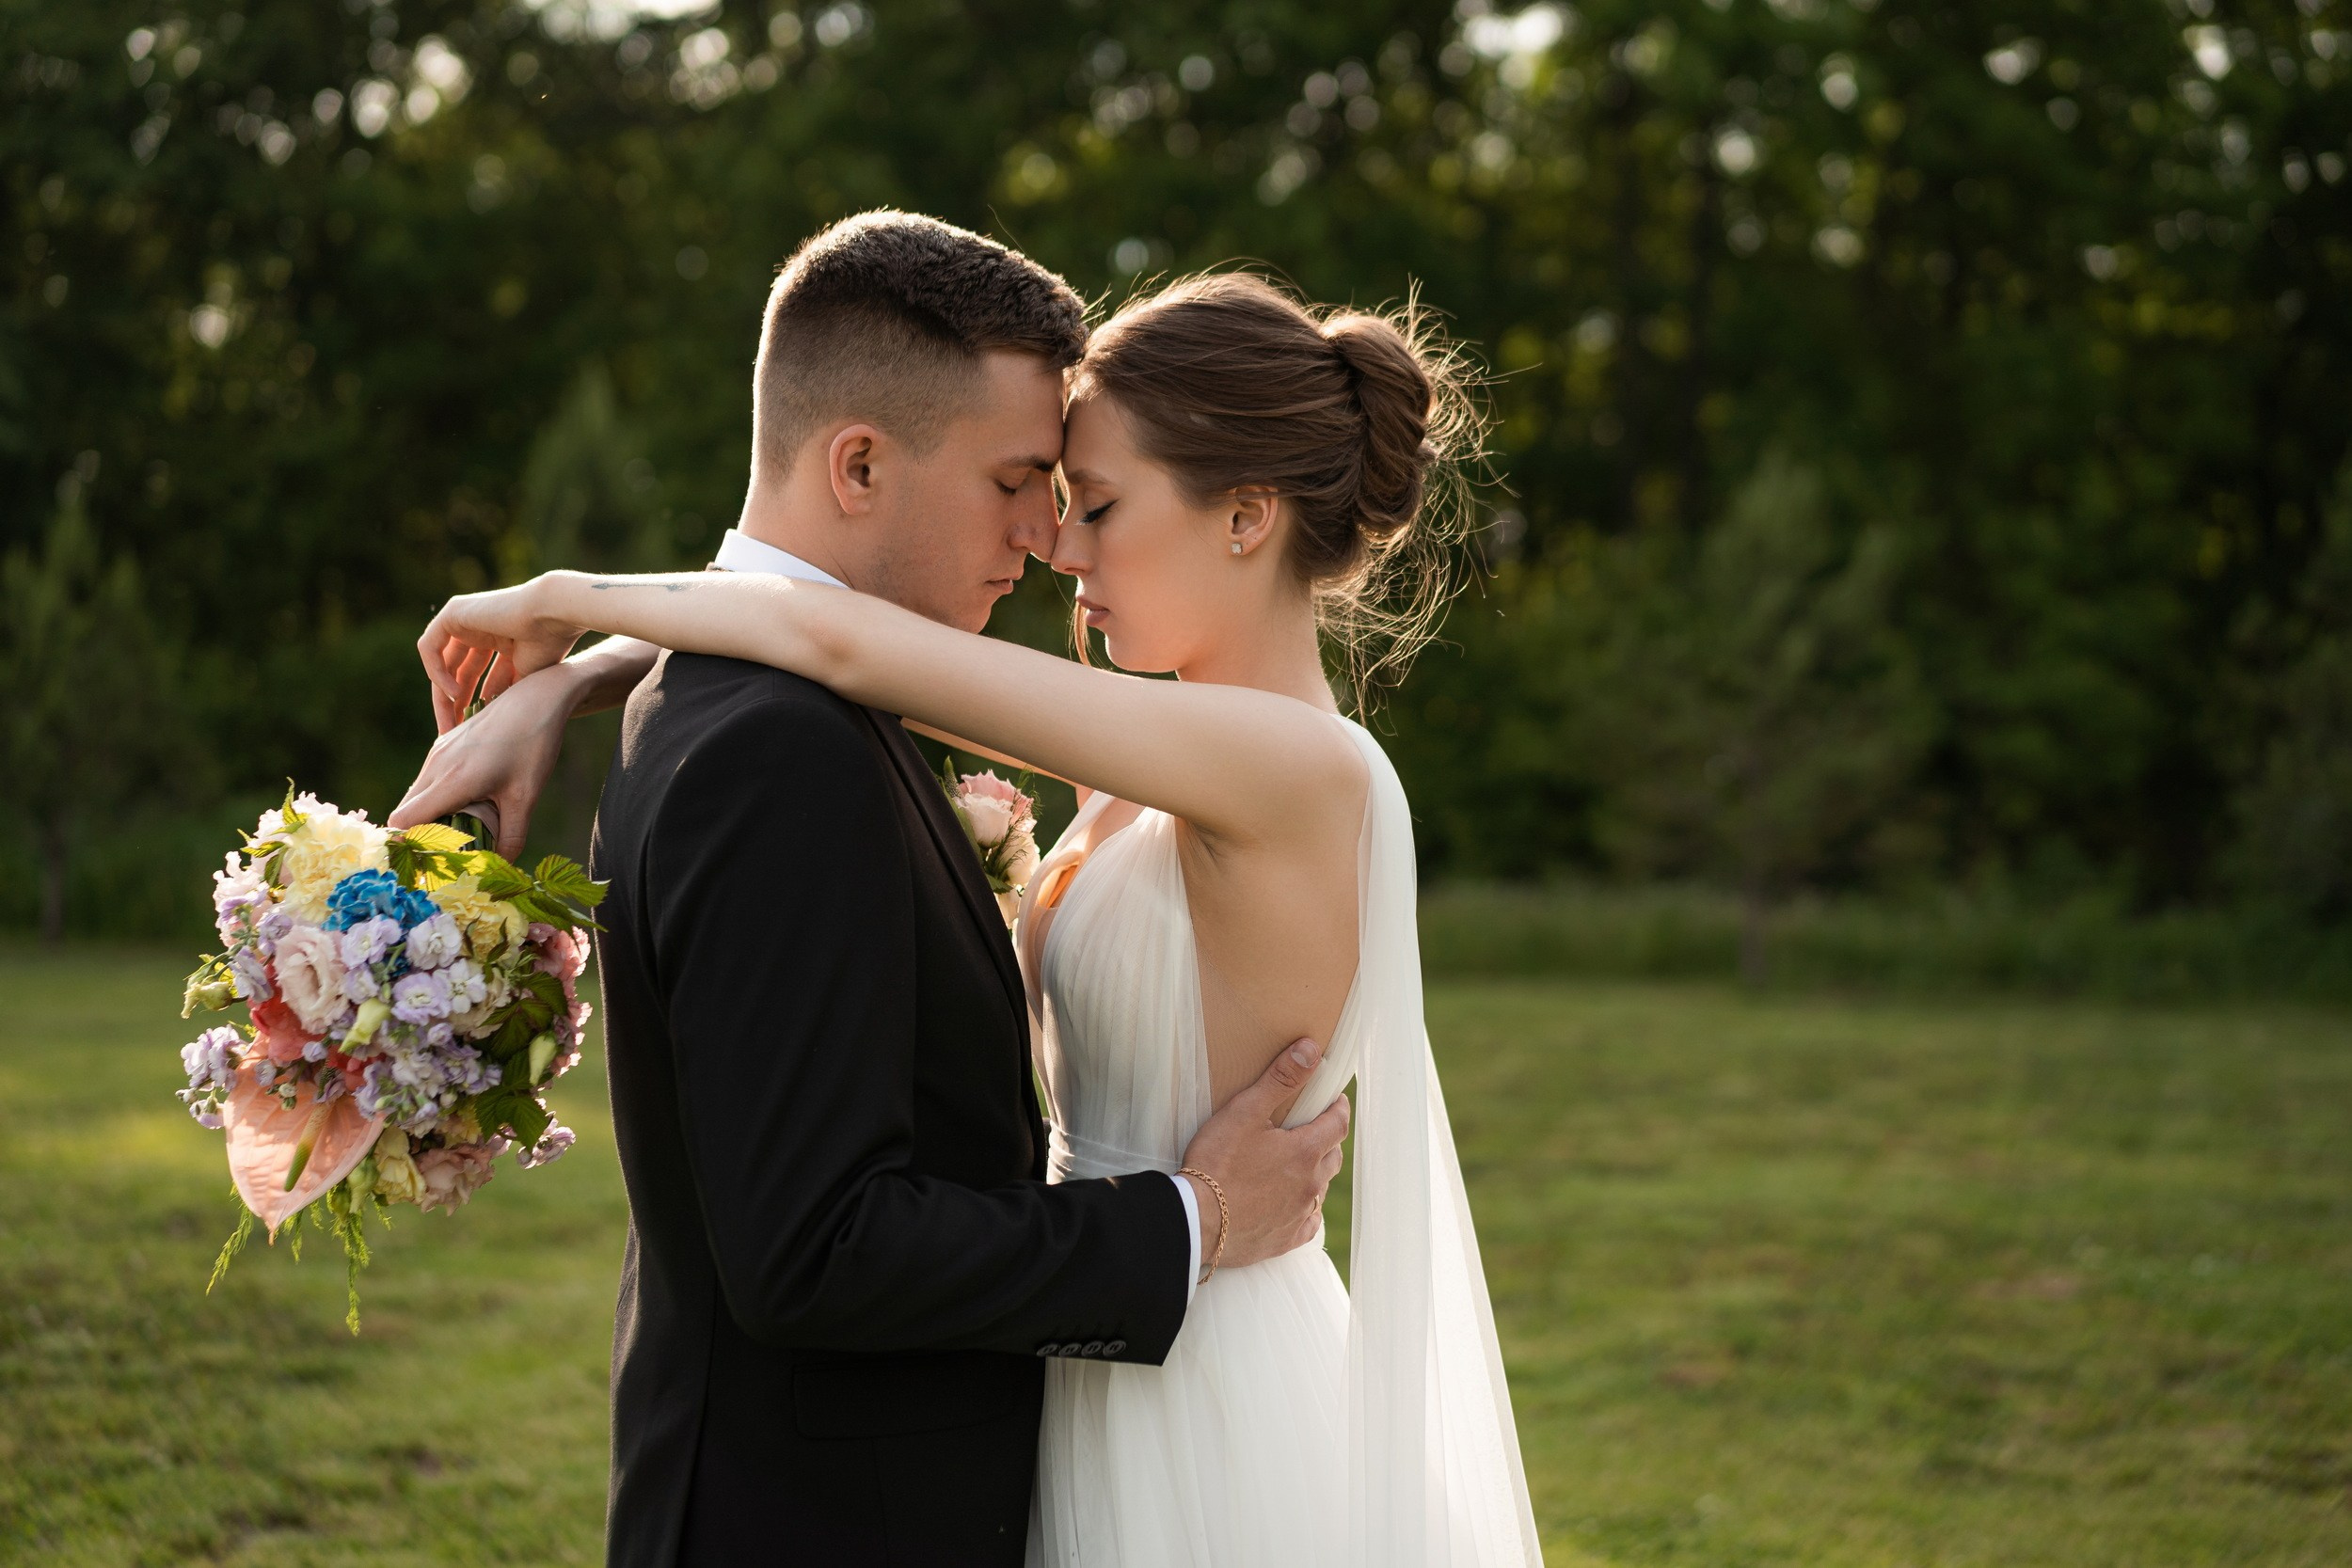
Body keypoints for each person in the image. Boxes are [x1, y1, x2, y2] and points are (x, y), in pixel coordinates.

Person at [397, 221, 1543, 1565]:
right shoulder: (1152, 748)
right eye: (1049, 495)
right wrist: (573, 682)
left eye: (1097, 505)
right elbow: (835, 652)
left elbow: (832, 635)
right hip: (1073, 1356)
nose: (1060, 547)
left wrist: (559, 600)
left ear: (1245, 515)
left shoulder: (1296, 768)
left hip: (1207, 1386)